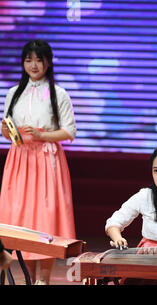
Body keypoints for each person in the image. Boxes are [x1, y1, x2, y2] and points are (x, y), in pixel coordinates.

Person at [0, 40, 77, 285]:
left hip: (46, 161)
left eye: (39, 59)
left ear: (48, 62)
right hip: (20, 160)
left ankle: (44, 279)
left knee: (46, 219)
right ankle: (28, 278)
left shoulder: (58, 93)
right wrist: (6, 131)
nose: (33, 65)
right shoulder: (14, 93)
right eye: (28, 59)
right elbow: (10, 131)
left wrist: (42, 135)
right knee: (21, 219)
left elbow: (69, 131)